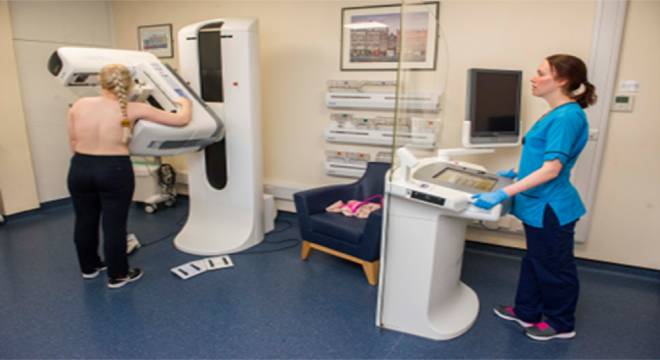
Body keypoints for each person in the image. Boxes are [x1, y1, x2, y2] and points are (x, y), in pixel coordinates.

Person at [471, 54, 597, 341]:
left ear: (562, 80)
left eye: (541, 73)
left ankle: (561, 323)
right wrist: (516, 171)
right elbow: (541, 157)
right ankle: (527, 310)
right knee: (536, 260)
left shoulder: (567, 116)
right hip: (538, 203)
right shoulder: (556, 113)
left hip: (550, 206)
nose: (533, 77)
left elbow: (552, 169)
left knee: (554, 266)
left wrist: (504, 192)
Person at [67, 64, 192, 289]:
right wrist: (186, 102)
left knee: (85, 220)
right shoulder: (134, 108)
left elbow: (73, 142)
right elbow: (182, 120)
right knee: (114, 224)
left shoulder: (79, 104)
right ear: (129, 84)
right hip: (113, 169)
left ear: (100, 82)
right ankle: (118, 275)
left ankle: (89, 268)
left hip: (80, 167)